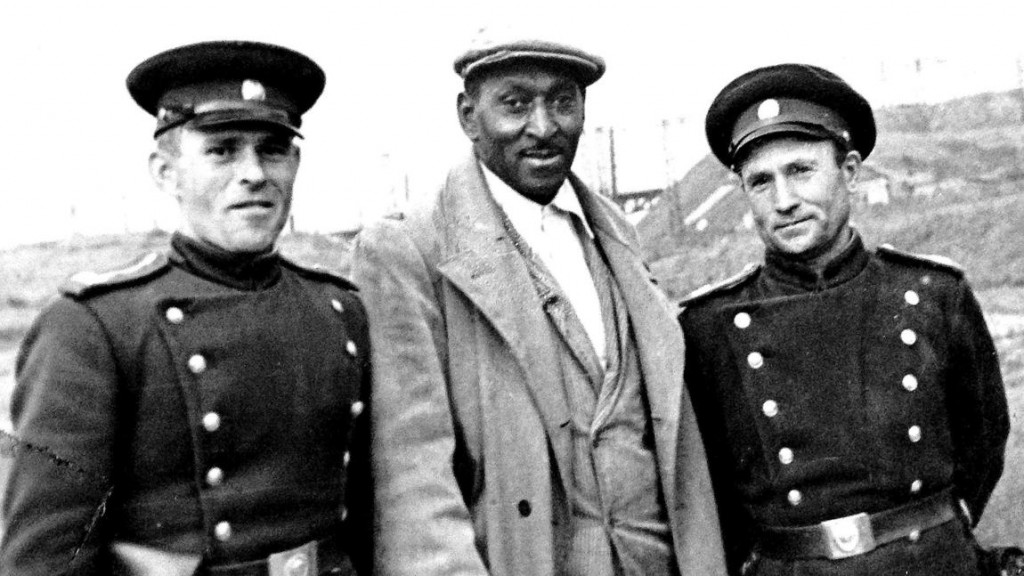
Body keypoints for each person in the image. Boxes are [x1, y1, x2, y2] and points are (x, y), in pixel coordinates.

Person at [350, 32, 726, 576]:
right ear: (468, 115)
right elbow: (413, 480)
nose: (544, 126)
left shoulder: (615, 235)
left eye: (563, 101)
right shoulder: (408, 252)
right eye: (516, 103)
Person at [0, 40, 371, 576]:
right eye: (222, 150)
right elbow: (47, 558)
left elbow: (370, 517)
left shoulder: (340, 309)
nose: (254, 173)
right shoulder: (95, 326)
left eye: (273, 149)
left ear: (295, 163)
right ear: (166, 172)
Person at [679, 63, 1011, 576]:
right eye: (761, 182)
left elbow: (984, 438)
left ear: (850, 171)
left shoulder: (931, 293)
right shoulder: (709, 326)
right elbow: (710, 491)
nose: (784, 201)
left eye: (801, 171)